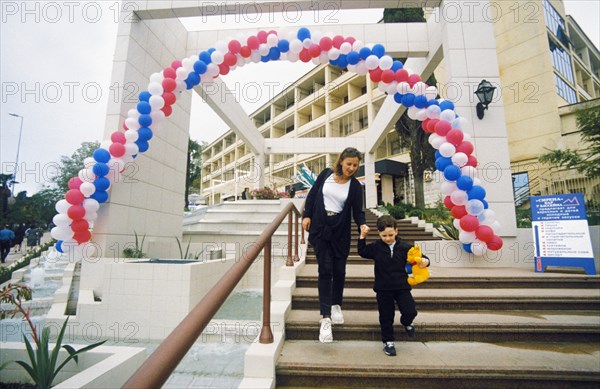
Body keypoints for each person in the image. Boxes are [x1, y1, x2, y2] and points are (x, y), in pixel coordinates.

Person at [301, 147, 368, 343]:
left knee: (339, 270)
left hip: (340, 231)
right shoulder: (326, 175)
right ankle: (325, 317)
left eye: (356, 165)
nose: (352, 168)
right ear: (341, 162)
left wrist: (362, 224)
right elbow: (313, 196)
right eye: (349, 164)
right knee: (325, 270)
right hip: (321, 229)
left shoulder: (355, 186)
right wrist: (307, 215)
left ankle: (336, 304)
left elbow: (358, 211)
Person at [357, 215, 430, 357]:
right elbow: (362, 252)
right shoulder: (376, 247)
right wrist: (362, 236)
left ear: (396, 231)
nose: (388, 238)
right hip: (383, 289)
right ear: (379, 233)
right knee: (386, 316)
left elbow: (422, 258)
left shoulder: (405, 247)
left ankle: (407, 322)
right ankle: (388, 342)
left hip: (402, 287)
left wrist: (425, 261)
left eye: (391, 234)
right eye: (384, 235)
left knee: (410, 311)